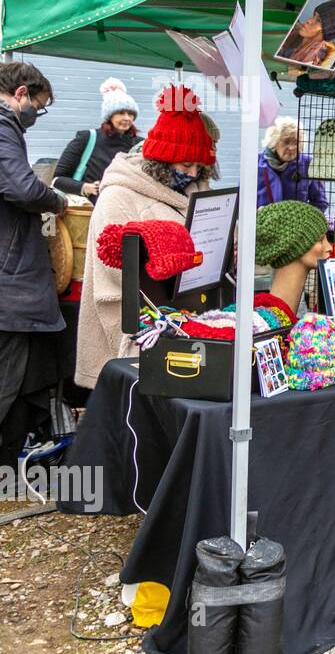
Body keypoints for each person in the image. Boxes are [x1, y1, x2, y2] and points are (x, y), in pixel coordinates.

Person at [76, 85, 215, 388]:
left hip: (183, 319)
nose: (192, 174)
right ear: (161, 162)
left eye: (198, 166)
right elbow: (114, 267)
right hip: (136, 329)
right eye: (185, 165)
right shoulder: (119, 195)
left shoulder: (193, 188)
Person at [0, 62, 69, 474]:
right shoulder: (4, 127)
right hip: (9, 279)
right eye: (37, 108)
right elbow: (22, 187)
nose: (34, 117)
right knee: (8, 375)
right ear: (21, 94)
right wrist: (57, 200)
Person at [51, 78, 140, 201]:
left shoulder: (140, 144)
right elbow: (57, 180)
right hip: (92, 211)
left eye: (131, 114)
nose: (127, 118)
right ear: (109, 116)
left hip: (128, 208)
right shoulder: (87, 138)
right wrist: (86, 187)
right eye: (121, 113)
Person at [258, 117, 328, 212]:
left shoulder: (309, 164)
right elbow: (242, 199)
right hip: (262, 225)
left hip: (298, 225)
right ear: (274, 142)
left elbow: (320, 202)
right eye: (286, 142)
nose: (291, 147)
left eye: (296, 142)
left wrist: (302, 217)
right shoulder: (255, 163)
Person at [281, 0, 335, 69]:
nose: (309, 20)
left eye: (319, 20)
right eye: (314, 15)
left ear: (330, 30)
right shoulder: (293, 35)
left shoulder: (316, 58)